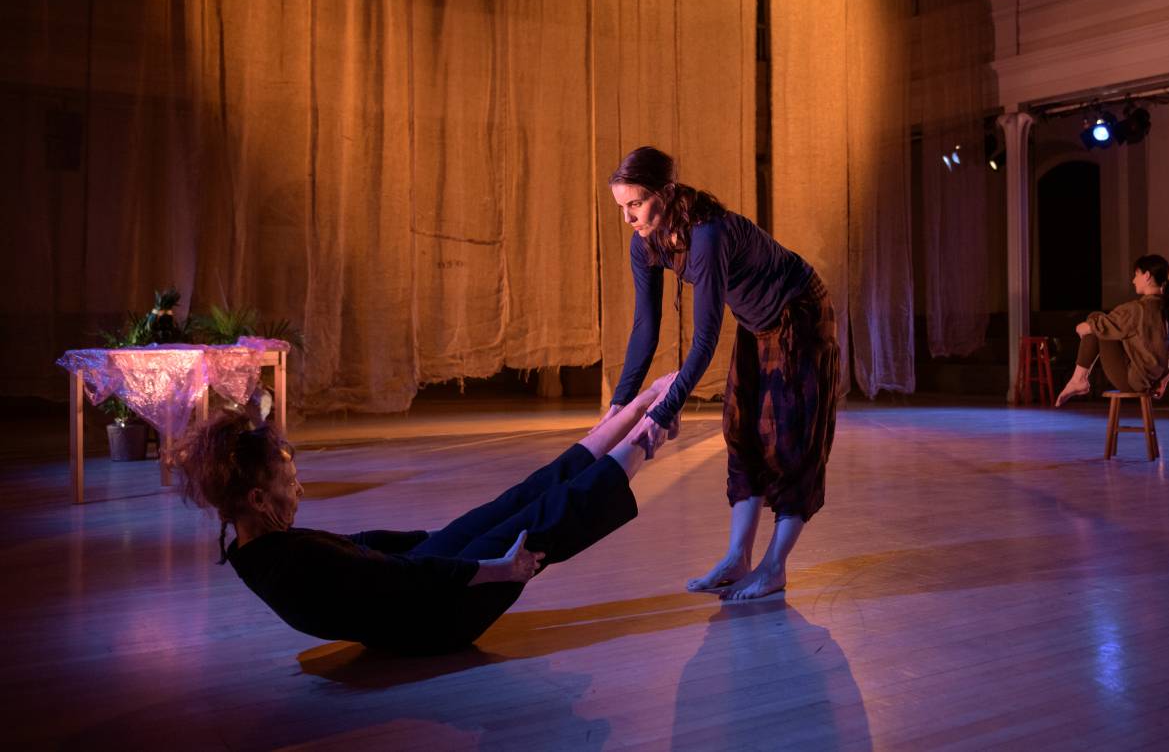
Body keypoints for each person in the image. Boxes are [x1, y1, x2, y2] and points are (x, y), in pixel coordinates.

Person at [178, 374, 679, 655]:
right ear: (258, 501)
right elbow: (392, 575)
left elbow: (361, 546)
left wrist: (441, 534)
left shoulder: (261, 545)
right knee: (540, 520)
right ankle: (649, 433)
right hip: (434, 620)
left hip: (409, 596)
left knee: (512, 503)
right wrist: (500, 570)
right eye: (289, 485)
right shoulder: (286, 564)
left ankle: (631, 414)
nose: (300, 489)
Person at [606, 145, 841, 601]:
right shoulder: (646, 243)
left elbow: (705, 339)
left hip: (800, 312)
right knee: (740, 430)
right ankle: (738, 558)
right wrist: (621, 403)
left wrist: (661, 414)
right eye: (622, 207)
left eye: (636, 203)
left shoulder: (708, 234)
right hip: (757, 323)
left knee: (787, 439)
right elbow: (645, 328)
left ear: (666, 192)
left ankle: (774, 568)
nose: (629, 217)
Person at [1054, 254, 1169, 407]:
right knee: (1101, 325)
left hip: (1131, 381)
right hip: (1152, 382)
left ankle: (1078, 379)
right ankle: (1078, 380)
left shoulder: (1137, 310)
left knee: (1095, 318)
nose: (1133, 280)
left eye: (1136, 275)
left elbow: (1085, 328)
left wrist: (1083, 329)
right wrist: (1164, 380)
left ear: (1147, 276)